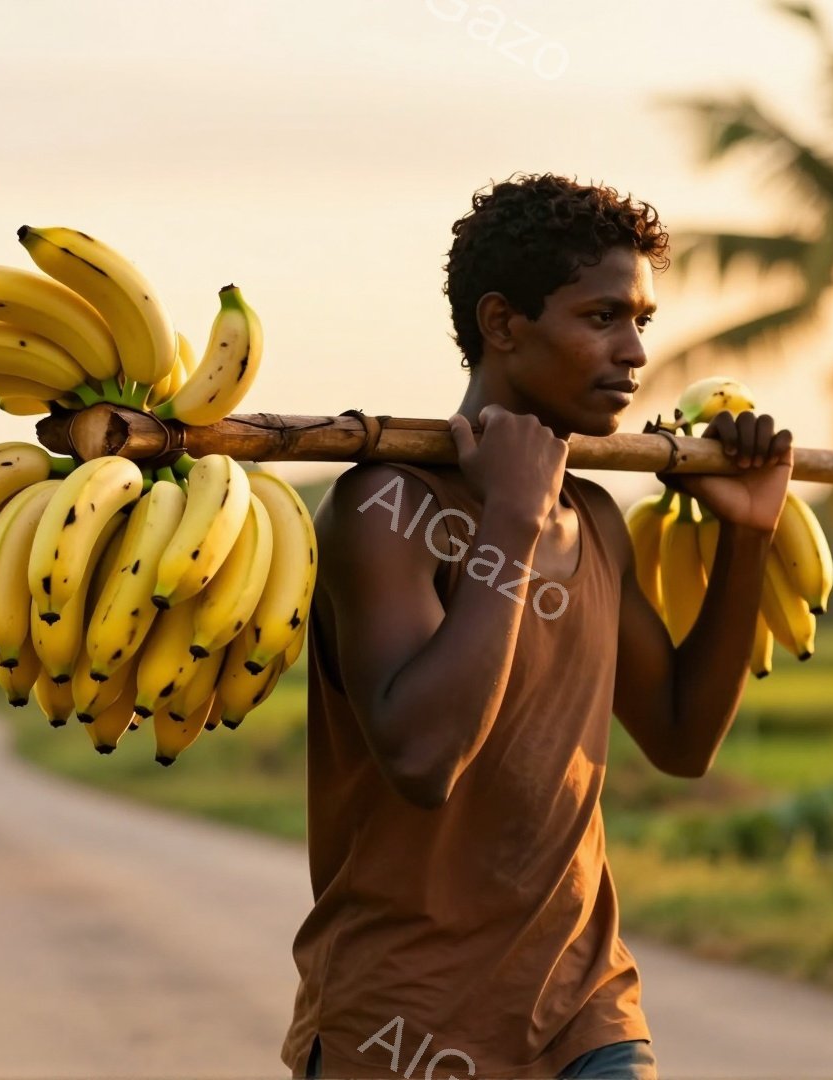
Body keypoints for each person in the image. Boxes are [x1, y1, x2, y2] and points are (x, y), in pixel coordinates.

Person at [281, 173, 793, 1080]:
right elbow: (422, 760)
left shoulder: (593, 517)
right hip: (401, 1023)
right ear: (503, 324)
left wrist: (747, 537)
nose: (635, 352)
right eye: (602, 318)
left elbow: (679, 740)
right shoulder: (387, 507)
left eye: (642, 320)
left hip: (584, 1017)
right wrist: (511, 524)